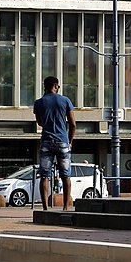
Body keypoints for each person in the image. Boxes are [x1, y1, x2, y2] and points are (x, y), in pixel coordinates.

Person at [33, 75, 76, 211]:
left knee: (44, 176)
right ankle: (65, 208)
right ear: (56, 86)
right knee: (65, 176)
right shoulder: (65, 100)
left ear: (44, 87)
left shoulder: (38, 103)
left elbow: (39, 122)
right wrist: (70, 141)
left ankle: (45, 208)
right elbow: (73, 124)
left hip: (46, 141)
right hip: (62, 141)